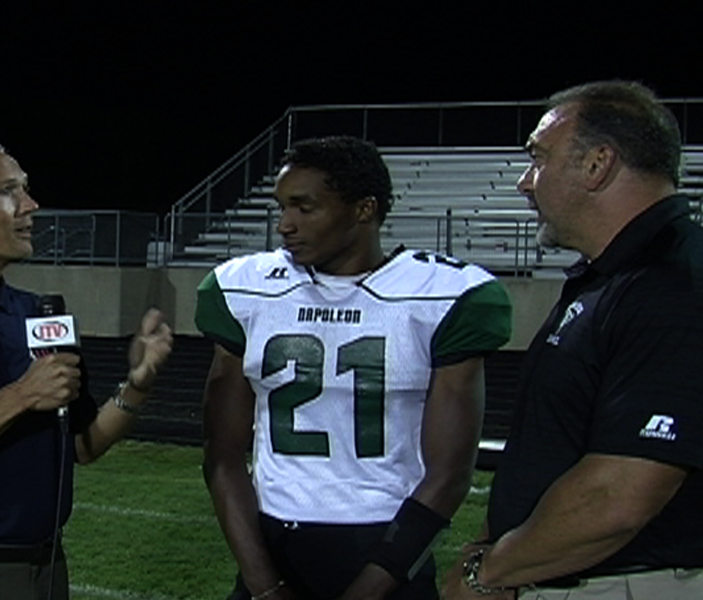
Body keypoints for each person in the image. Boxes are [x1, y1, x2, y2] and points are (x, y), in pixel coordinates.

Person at [195, 135, 512, 600]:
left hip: (386, 542)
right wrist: (264, 587)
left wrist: (369, 588)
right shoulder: (247, 289)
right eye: (282, 207)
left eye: (305, 208)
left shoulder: (443, 295)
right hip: (271, 541)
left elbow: (449, 474)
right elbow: (221, 456)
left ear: (365, 209)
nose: (284, 225)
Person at [441, 80, 703, 600]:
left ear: (596, 164)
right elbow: (555, 445)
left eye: (538, 159)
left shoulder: (673, 284)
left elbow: (620, 495)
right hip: (568, 575)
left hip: (629, 584)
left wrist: (486, 574)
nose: (524, 182)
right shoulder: (612, 275)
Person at [0, 138, 173, 600]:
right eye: (9, 191)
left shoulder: (38, 314)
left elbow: (84, 445)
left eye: (25, 190)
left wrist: (139, 382)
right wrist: (20, 396)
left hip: (48, 571)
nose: (31, 205)